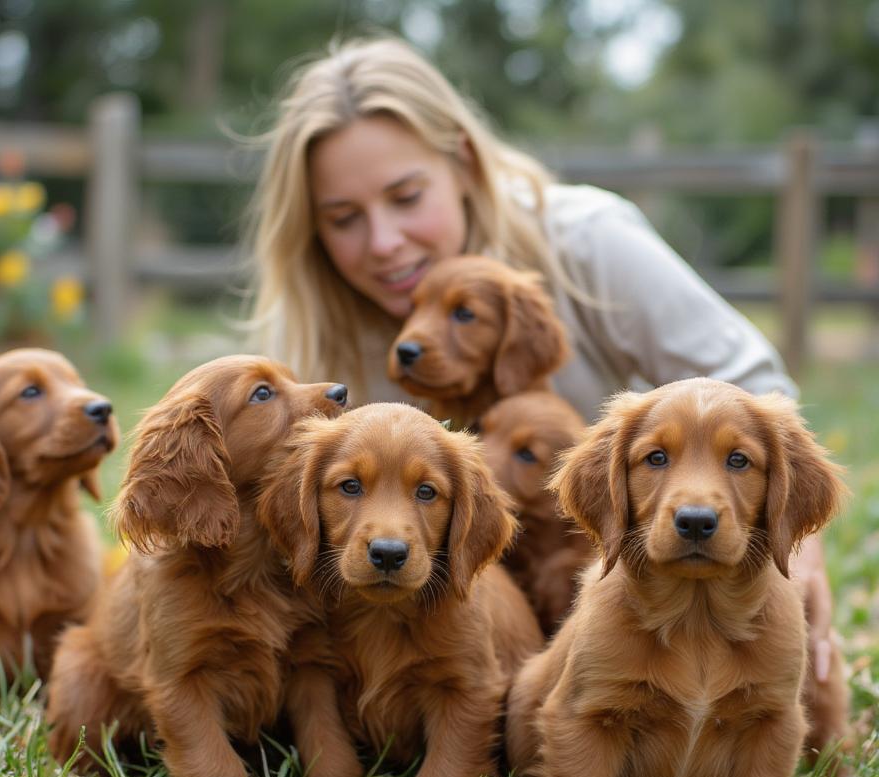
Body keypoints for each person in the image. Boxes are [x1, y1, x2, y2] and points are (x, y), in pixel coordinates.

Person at [243, 35, 841, 696]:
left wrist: (800, 555)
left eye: (407, 196)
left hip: (638, 597)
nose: (384, 242)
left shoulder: (589, 241)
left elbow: (757, 394)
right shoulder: (320, 343)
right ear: (313, 229)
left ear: (465, 164)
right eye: (344, 218)